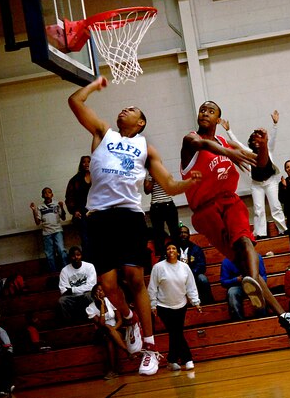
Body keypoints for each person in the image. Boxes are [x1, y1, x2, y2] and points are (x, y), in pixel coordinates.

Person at [68, 76, 200, 376]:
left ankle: (151, 348)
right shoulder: (103, 133)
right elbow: (75, 102)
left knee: (134, 278)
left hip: (129, 215)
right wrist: (94, 84)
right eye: (123, 107)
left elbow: (168, 184)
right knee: (108, 285)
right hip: (98, 217)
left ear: (140, 123)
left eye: (131, 109)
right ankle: (128, 319)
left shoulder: (145, 148)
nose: (124, 110)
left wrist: (187, 183)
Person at [180, 100, 290, 346]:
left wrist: (264, 145)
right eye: (202, 110)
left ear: (218, 119)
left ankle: (285, 316)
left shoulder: (227, 143)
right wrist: (228, 152)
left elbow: (260, 163)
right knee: (246, 268)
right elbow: (201, 143)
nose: (205, 113)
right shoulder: (191, 139)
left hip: (229, 201)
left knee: (247, 244)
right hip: (205, 212)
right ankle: (272, 300)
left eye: (211, 111)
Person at [220, 112, 287, 239]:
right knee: (258, 209)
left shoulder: (268, 150)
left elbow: (272, 139)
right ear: (251, 143)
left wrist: (275, 124)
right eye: (253, 140)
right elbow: (236, 143)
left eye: (258, 140)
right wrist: (228, 130)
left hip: (270, 181)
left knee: (276, 207)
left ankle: (283, 229)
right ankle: (260, 233)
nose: (256, 142)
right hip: (257, 184)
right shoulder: (248, 153)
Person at [148, 243, 202, 371]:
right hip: (163, 306)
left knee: (175, 333)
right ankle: (188, 358)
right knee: (175, 332)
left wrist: (196, 301)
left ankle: (171, 360)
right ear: (165, 252)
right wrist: (153, 304)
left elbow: (191, 286)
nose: (171, 250)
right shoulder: (158, 267)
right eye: (168, 249)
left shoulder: (184, 267)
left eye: (173, 248)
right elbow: (152, 287)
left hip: (181, 305)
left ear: (178, 252)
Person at [86, 283, 129, 381]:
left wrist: (113, 329)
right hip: (101, 332)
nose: (99, 292)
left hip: (116, 329)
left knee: (110, 337)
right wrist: (101, 306)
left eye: (101, 290)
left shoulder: (111, 301)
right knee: (108, 332)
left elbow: (120, 320)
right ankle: (127, 351)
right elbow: (101, 324)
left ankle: (112, 370)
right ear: (93, 294)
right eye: (97, 291)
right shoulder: (90, 308)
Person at [30, 187, 68, 272]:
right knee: (49, 254)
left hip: (57, 231)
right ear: (42, 196)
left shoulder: (57, 204)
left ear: (52, 194)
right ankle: (53, 272)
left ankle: (66, 270)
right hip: (47, 233)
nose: (47, 194)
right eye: (45, 193)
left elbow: (63, 218)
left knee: (61, 250)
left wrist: (62, 207)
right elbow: (37, 222)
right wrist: (34, 211)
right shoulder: (40, 207)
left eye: (49, 192)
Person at [220, 254, 268, 321]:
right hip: (238, 286)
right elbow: (223, 282)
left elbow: (264, 277)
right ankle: (238, 320)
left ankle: (262, 317)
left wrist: (255, 280)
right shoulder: (226, 261)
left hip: (254, 284)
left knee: (260, 289)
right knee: (232, 292)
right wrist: (236, 279)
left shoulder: (256, 257)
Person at [144, 174, 180, 259]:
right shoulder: (148, 176)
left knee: (174, 231)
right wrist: (152, 178)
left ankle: (178, 254)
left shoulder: (164, 172)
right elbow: (147, 191)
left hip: (169, 204)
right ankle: (161, 257)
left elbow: (172, 188)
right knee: (158, 234)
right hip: (156, 206)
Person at [58, 245, 97, 324]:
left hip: (86, 294)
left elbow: (92, 286)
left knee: (89, 295)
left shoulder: (89, 266)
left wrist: (73, 289)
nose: (76, 257)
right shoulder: (64, 271)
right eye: (73, 256)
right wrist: (82, 288)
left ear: (81, 256)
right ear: (70, 257)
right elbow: (63, 290)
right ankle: (69, 324)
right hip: (73, 297)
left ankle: (95, 319)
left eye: (78, 255)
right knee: (62, 300)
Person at [177, 224, 214, 304]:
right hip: (176, 276)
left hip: (193, 275)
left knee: (203, 279)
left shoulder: (196, 249)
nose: (183, 234)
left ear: (189, 235)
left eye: (185, 232)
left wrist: (190, 274)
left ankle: (208, 304)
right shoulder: (173, 248)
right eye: (181, 233)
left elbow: (202, 266)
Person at [65, 155, 92, 259]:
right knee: (86, 240)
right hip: (82, 213)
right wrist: (74, 211)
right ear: (81, 164)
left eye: (89, 161)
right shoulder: (75, 180)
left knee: (99, 238)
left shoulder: (97, 177)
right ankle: (88, 263)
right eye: (84, 162)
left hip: (96, 212)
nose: (86, 164)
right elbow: (70, 197)